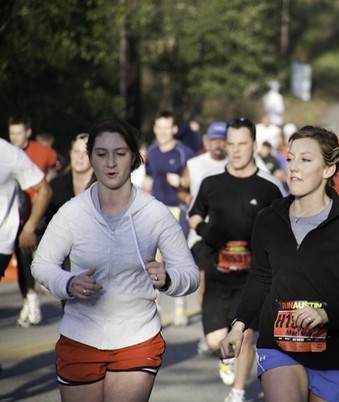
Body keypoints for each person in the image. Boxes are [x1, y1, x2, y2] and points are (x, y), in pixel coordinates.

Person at [218, 125, 339, 402]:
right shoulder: (268, 219)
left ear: (328, 170)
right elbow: (260, 279)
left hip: (334, 354)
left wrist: (327, 315)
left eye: (305, 160)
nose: (293, 167)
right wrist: (239, 326)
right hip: (279, 346)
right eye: (290, 159)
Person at [31, 118, 200, 401]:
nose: (110, 163)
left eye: (120, 153)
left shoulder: (154, 213)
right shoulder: (73, 212)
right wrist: (68, 282)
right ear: (91, 158)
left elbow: (190, 273)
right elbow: (42, 264)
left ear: (133, 157)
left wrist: (168, 278)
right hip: (80, 336)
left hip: (137, 337)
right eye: (101, 154)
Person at [188, 117, 286, 402]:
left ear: (253, 145)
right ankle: (226, 360)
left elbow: (284, 229)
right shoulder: (211, 182)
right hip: (217, 273)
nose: (235, 150)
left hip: (253, 277)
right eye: (231, 144)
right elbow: (194, 214)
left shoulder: (269, 188)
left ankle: (238, 392)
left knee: (244, 335)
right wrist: (205, 230)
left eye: (242, 144)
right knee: (214, 341)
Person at [8, 115, 61, 327]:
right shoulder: (7, 153)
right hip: (14, 213)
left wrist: (49, 180)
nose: (15, 138)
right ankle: (29, 299)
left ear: (28, 133)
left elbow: (60, 165)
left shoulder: (42, 151)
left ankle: (37, 293)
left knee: (32, 253)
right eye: (12, 133)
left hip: (38, 212)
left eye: (19, 133)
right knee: (21, 257)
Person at [144, 111, 195, 327]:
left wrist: (181, 181)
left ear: (174, 129)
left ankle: (180, 306)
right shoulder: (152, 151)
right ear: (154, 129)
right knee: (154, 259)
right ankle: (155, 306)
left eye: (167, 128)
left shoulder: (184, 152)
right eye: (159, 128)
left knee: (175, 257)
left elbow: (194, 181)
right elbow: (147, 176)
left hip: (177, 209)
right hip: (156, 209)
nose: (163, 132)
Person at [47, 133, 95, 219]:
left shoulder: (103, 189)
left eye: (86, 153)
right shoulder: (56, 186)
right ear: (70, 153)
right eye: (76, 151)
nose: (80, 157)